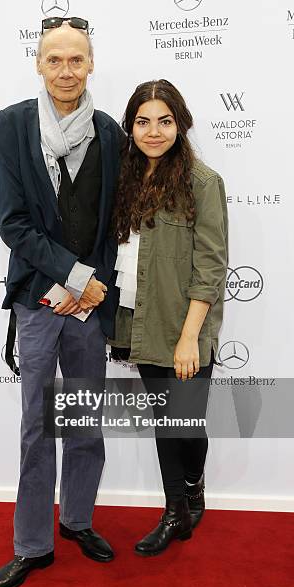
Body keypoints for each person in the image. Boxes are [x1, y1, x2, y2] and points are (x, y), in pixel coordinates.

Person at [0, 17, 122, 587]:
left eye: (76, 60)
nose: (66, 71)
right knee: (38, 427)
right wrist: (71, 276)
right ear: (39, 65)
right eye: (54, 60)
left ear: (91, 64)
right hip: (39, 301)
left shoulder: (112, 132)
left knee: (84, 419)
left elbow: (114, 224)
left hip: (88, 304)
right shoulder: (15, 124)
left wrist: (93, 286)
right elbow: (14, 223)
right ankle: (32, 545)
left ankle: (79, 520)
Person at [110, 79, 228, 555]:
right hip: (140, 316)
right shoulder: (125, 180)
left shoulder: (203, 183)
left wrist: (189, 338)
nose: (153, 131)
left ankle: (193, 485)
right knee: (166, 421)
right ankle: (176, 512)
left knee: (185, 422)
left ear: (180, 125)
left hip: (184, 326)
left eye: (164, 120)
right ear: (131, 127)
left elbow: (211, 266)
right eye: (143, 121)